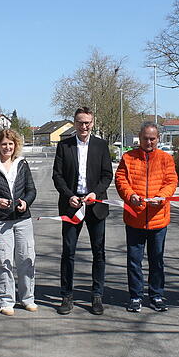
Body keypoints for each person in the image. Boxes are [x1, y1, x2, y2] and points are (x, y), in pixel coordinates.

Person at [52, 106, 113, 315]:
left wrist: (96, 193)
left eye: (87, 122)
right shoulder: (64, 146)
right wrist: (69, 195)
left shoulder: (101, 146)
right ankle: (66, 296)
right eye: (80, 122)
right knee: (68, 252)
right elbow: (57, 176)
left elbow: (107, 175)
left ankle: (97, 296)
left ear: (92, 123)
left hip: (95, 206)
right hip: (71, 205)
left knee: (99, 252)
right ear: (74, 123)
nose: (84, 126)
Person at [115, 122, 178, 313]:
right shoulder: (128, 157)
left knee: (156, 260)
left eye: (152, 138)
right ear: (139, 138)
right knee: (134, 260)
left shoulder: (166, 158)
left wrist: (162, 196)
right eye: (145, 138)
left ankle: (156, 295)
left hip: (158, 218)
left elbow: (171, 180)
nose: (149, 142)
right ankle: (135, 296)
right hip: (135, 218)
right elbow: (120, 180)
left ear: (158, 138)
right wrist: (130, 196)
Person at [0, 129, 37, 316]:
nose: (7, 147)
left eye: (11, 144)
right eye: (4, 144)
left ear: (16, 145)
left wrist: (26, 202)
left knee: (26, 259)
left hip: (22, 221)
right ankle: (5, 300)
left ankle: (28, 299)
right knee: (3, 261)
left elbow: (31, 189)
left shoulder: (22, 164)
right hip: (0, 222)